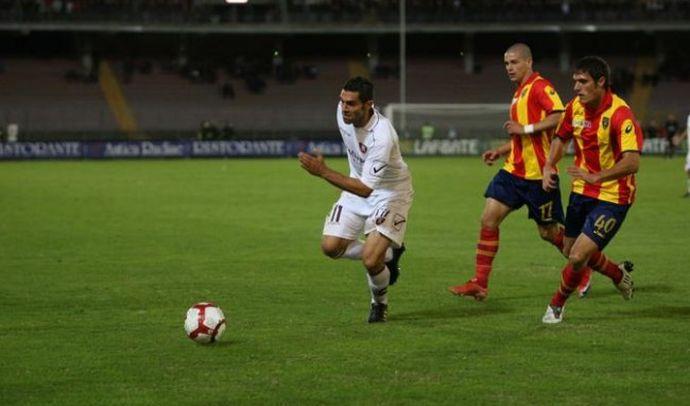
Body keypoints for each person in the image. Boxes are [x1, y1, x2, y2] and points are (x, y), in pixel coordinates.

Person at [448, 43, 581, 299]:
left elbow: (560, 116)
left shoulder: (541, 87)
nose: (509, 68)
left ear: (528, 62)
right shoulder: (520, 92)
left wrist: (526, 128)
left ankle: (584, 267)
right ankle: (480, 283)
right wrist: (500, 151)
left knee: (549, 233)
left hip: (538, 177)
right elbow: (523, 138)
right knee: (488, 219)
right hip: (513, 173)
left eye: (515, 62)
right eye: (507, 63)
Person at [298, 77, 413, 323]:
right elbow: (360, 184)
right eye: (342, 101)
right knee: (330, 248)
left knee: (371, 261)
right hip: (358, 184)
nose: (344, 108)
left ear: (368, 104)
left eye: (350, 103)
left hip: (390, 193)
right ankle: (391, 255)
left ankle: (379, 304)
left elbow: (365, 189)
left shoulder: (381, 136)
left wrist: (323, 172)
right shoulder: (342, 114)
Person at [541, 56, 642, 324]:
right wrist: (550, 165)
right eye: (575, 81)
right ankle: (619, 275)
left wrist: (599, 176)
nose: (576, 87)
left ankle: (556, 307)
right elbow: (560, 137)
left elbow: (632, 161)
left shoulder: (621, 114)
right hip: (582, 190)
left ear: (601, 82)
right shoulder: (574, 107)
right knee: (570, 250)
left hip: (613, 196)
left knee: (577, 256)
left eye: (583, 81)